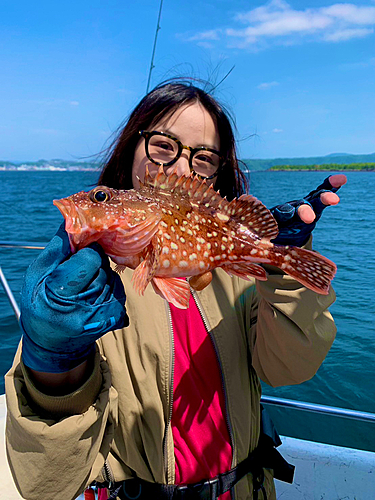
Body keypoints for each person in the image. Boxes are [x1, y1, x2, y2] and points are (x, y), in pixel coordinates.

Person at [5, 81, 346, 500]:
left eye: (203, 158)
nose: (181, 170)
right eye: (163, 147)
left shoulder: (241, 279)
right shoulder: (78, 295)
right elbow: (44, 483)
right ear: (132, 147)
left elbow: (288, 371)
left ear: (218, 171)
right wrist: (54, 361)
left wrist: (281, 270)